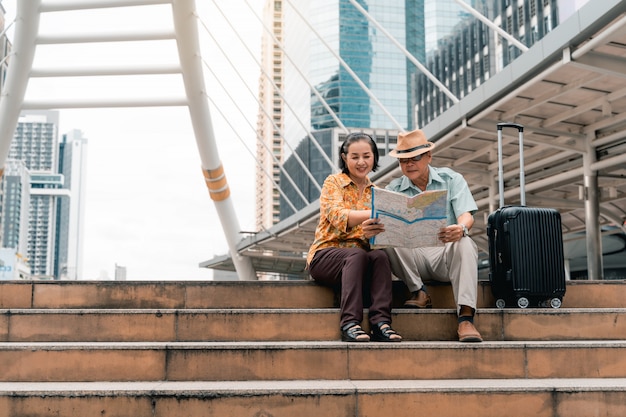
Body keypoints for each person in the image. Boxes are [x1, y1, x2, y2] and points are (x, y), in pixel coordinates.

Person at [385, 128, 482, 343]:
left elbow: (466, 215)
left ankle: (466, 318)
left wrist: (461, 228)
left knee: (465, 241)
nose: (409, 164)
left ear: (429, 156)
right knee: (387, 233)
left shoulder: (451, 179)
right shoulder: (393, 189)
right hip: (411, 259)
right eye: (403, 160)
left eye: (415, 158)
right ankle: (418, 291)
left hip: (445, 257)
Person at [306, 132, 402, 343]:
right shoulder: (333, 183)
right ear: (344, 158)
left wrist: (373, 232)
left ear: (375, 157)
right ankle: (350, 323)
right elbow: (337, 216)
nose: (361, 162)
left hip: (359, 261)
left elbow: (375, 237)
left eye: (367, 156)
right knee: (357, 255)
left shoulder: (376, 192)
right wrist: (375, 214)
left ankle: (381, 323)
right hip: (325, 256)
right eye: (355, 157)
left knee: (380, 257)